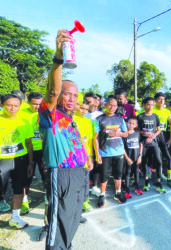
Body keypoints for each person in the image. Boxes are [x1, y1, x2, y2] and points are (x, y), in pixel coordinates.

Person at [39, 29, 92, 250]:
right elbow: (52, 89)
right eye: (67, 93)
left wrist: (87, 159)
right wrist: (58, 59)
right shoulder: (50, 114)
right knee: (59, 223)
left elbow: (78, 142)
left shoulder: (73, 119)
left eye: (75, 95)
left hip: (80, 173)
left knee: (72, 219)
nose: (71, 98)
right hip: (61, 174)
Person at [0, 94, 34, 228]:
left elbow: (29, 143)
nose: (12, 108)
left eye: (16, 105)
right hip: (2, 160)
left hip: (21, 159)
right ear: (2, 105)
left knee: (19, 188)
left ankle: (15, 217)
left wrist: (30, 163)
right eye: (9, 105)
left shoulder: (25, 122)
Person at [95, 97, 128, 206]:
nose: (112, 107)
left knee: (118, 174)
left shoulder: (120, 119)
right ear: (105, 105)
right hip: (105, 152)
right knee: (103, 175)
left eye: (114, 105)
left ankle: (118, 193)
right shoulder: (99, 119)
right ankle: (102, 195)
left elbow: (126, 133)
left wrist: (119, 134)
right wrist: (97, 153)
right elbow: (95, 138)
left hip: (118, 152)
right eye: (110, 105)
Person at [19, 92, 45, 215]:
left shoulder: (44, 113)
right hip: (27, 150)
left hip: (42, 150)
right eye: (34, 104)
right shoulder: (21, 113)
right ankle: (24, 202)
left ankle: (48, 199)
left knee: (46, 176)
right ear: (28, 102)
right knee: (26, 178)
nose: (37, 107)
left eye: (39, 104)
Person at [137, 97, 166, 193]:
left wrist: (152, 136)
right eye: (148, 104)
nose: (150, 106)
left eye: (152, 104)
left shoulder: (155, 116)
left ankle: (158, 182)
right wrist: (145, 133)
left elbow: (159, 129)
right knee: (144, 163)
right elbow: (136, 130)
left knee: (158, 161)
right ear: (144, 105)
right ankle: (146, 182)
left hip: (153, 142)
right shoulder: (140, 116)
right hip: (143, 143)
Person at [73, 99, 97, 212]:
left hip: (85, 156)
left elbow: (90, 140)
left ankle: (85, 202)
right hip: (73, 156)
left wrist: (90, 157)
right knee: (74, 181)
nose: (84, 111)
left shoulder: (88, 121)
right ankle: (75, 202)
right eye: (82, 108)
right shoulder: (71, 119)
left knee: (85, 179)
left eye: (86, 109)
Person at [152, 92, 171, 188]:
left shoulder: (167, 111)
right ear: (155, 101)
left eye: (163, 99)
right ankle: (157, 177)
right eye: (159, 99)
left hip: (164, 136)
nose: (162, 101)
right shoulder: (152, 110)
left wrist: (170, 138)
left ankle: (169, 179)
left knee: (168, 157)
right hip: (154, 136)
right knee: (157, 158)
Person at [123, 117, 143, 196]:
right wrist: (127, 158)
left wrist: (140, 156)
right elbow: (123, 148)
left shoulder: (137, 133)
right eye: (130, 123)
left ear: (136, 125)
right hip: (128, 158)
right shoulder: (125, 134)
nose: (131, 125)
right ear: (127, 123)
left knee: (136, 172)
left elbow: (140, 144)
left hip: (136, 157)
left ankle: (137, 187)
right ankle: (127, 189)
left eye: (133, 123)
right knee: (127, 173)